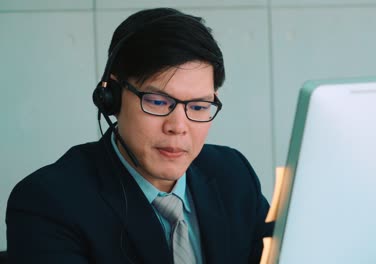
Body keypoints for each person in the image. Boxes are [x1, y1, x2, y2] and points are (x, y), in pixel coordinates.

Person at [6, 8, 272, 264]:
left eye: (199, 106)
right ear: (111, 97)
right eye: (157, 102)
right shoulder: (48, 203)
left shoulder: (234, 177)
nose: (178, 126)